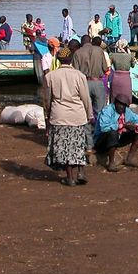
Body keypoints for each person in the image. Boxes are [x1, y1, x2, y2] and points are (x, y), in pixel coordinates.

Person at [44, 48, 94, 186]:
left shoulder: (50, 76)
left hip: (59, 116)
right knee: (78, 145)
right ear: (71, 59)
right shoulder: (79, 76)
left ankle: (70, 177)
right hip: (77, 115)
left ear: (58, 60)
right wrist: (89, 114)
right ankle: (81, 171)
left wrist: (47, 116)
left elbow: (47, 100)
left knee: (65, 148)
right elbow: (85, 98)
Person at [72, 34, 109, 150]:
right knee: (100, 112)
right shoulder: (99, 51)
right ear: (90, 41)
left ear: (82, 42)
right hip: (98, 83)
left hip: (84, 83)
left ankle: (88, 143)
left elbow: (75, 72)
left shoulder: (77, 53)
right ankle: (99, 140)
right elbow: (105, 69)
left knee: (85, 113)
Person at [94, 94, 138, 171]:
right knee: (112, 132)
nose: (122, 107)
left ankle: (129, 159)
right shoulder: (107, 110)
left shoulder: (127, 111)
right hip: (101, 141)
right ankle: (111, 163)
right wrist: (122, 125)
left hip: (117, 139)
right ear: (115, 103)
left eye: (124, 105)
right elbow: (104, 127)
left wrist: (135, 126)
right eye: (120, 104)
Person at [109, 38, 135, 103]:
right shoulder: (130, 56)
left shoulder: (112, 55)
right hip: (126, 79)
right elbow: (133, 65)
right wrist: (129, 53)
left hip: (115, 78)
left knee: (114, 98)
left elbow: (109, 65)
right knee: (126, 99)